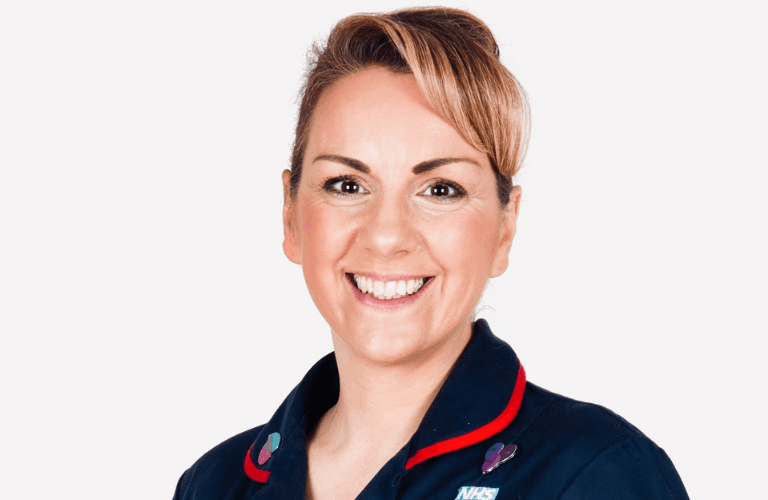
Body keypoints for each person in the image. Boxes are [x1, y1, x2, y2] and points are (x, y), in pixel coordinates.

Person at [173, 7, 689, 500]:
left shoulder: (593, 473)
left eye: (441, 189)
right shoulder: (213, 485)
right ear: (290, 215)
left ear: (505, 229)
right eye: (347, 184)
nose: (386, 235)